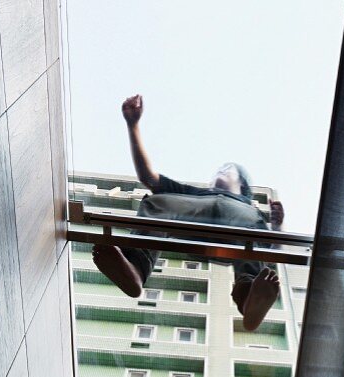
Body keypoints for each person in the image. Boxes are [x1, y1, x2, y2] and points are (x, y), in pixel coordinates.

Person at [92, 94, 285, 332]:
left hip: (239, 226)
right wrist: (133, 125)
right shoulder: (192, 193)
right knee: (156, 201)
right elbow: (148, 177)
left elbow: (272, 250)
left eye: (227, 169)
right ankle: (134, 270)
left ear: (243, 185)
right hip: (196, 218)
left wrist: (276, 228)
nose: (220, 171)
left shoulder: (251, 211)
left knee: (255, 244)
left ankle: (249, 300)